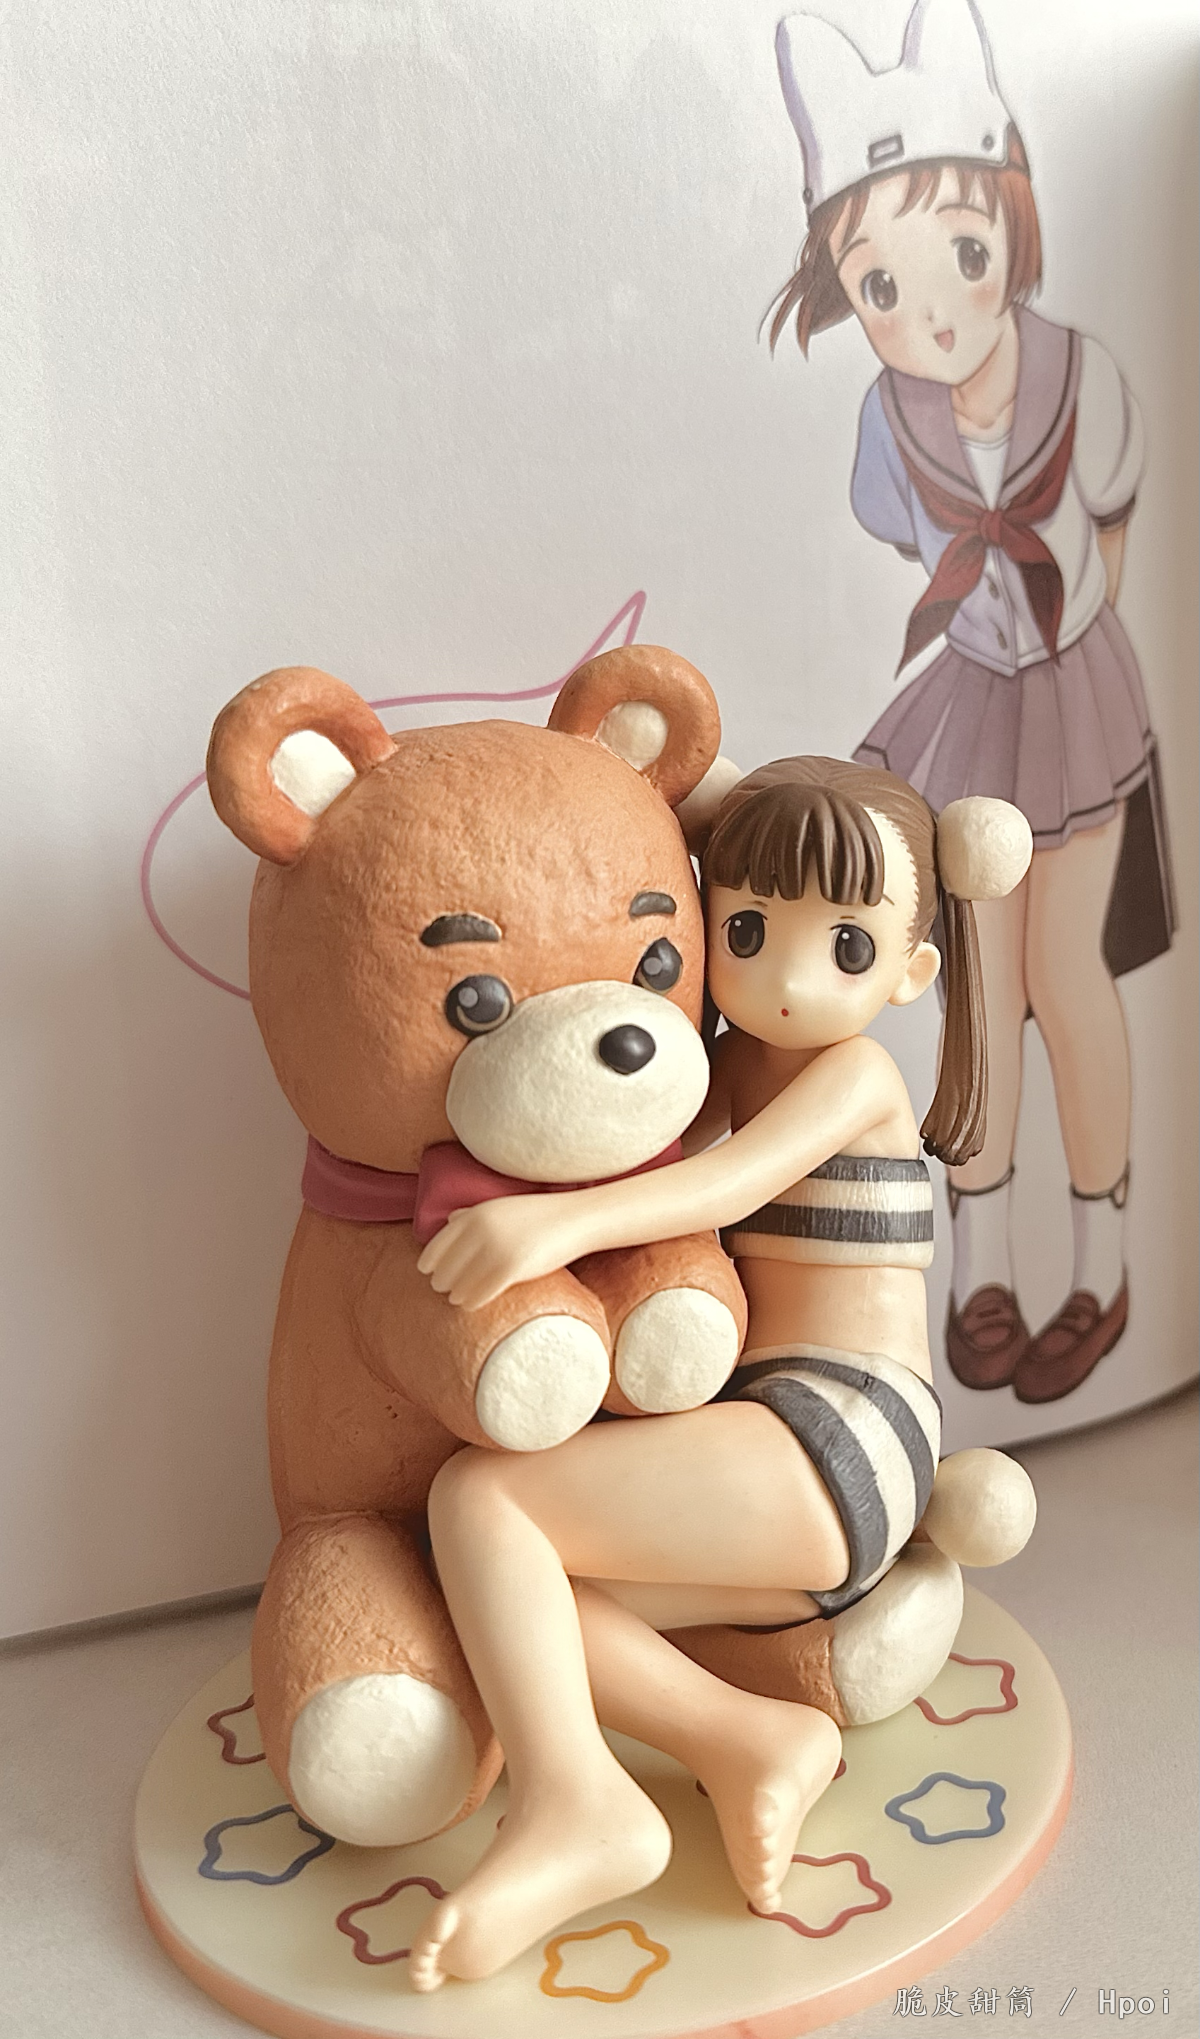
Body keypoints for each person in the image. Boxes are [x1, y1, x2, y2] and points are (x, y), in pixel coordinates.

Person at [406, 756, 1029, 1990]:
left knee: (482, 1499)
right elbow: (637, 1149)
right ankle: (750, 1739)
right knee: (515, 1597)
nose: (789, 975)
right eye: (748, 930)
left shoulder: (857, 1075)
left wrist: (549, 1226)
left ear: (911, 972)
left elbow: (720, 1185)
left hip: (844, 1428)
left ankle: (575, 1806)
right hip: (775, 1450)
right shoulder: (728, 1056)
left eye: (845, 948)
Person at [770, 0, 1175, 1401]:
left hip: (1077, 696)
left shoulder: (1085, 375)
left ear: (1012, 217)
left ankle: (1106, 1267)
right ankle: (980, 1271)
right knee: (979, 994)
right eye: (879, 285)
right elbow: (910, 536)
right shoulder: (890, 422)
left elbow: (1111, 535)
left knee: (1069, 977)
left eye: (962, 250)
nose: (930, 308)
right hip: (974, 704)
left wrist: (1065, 627)